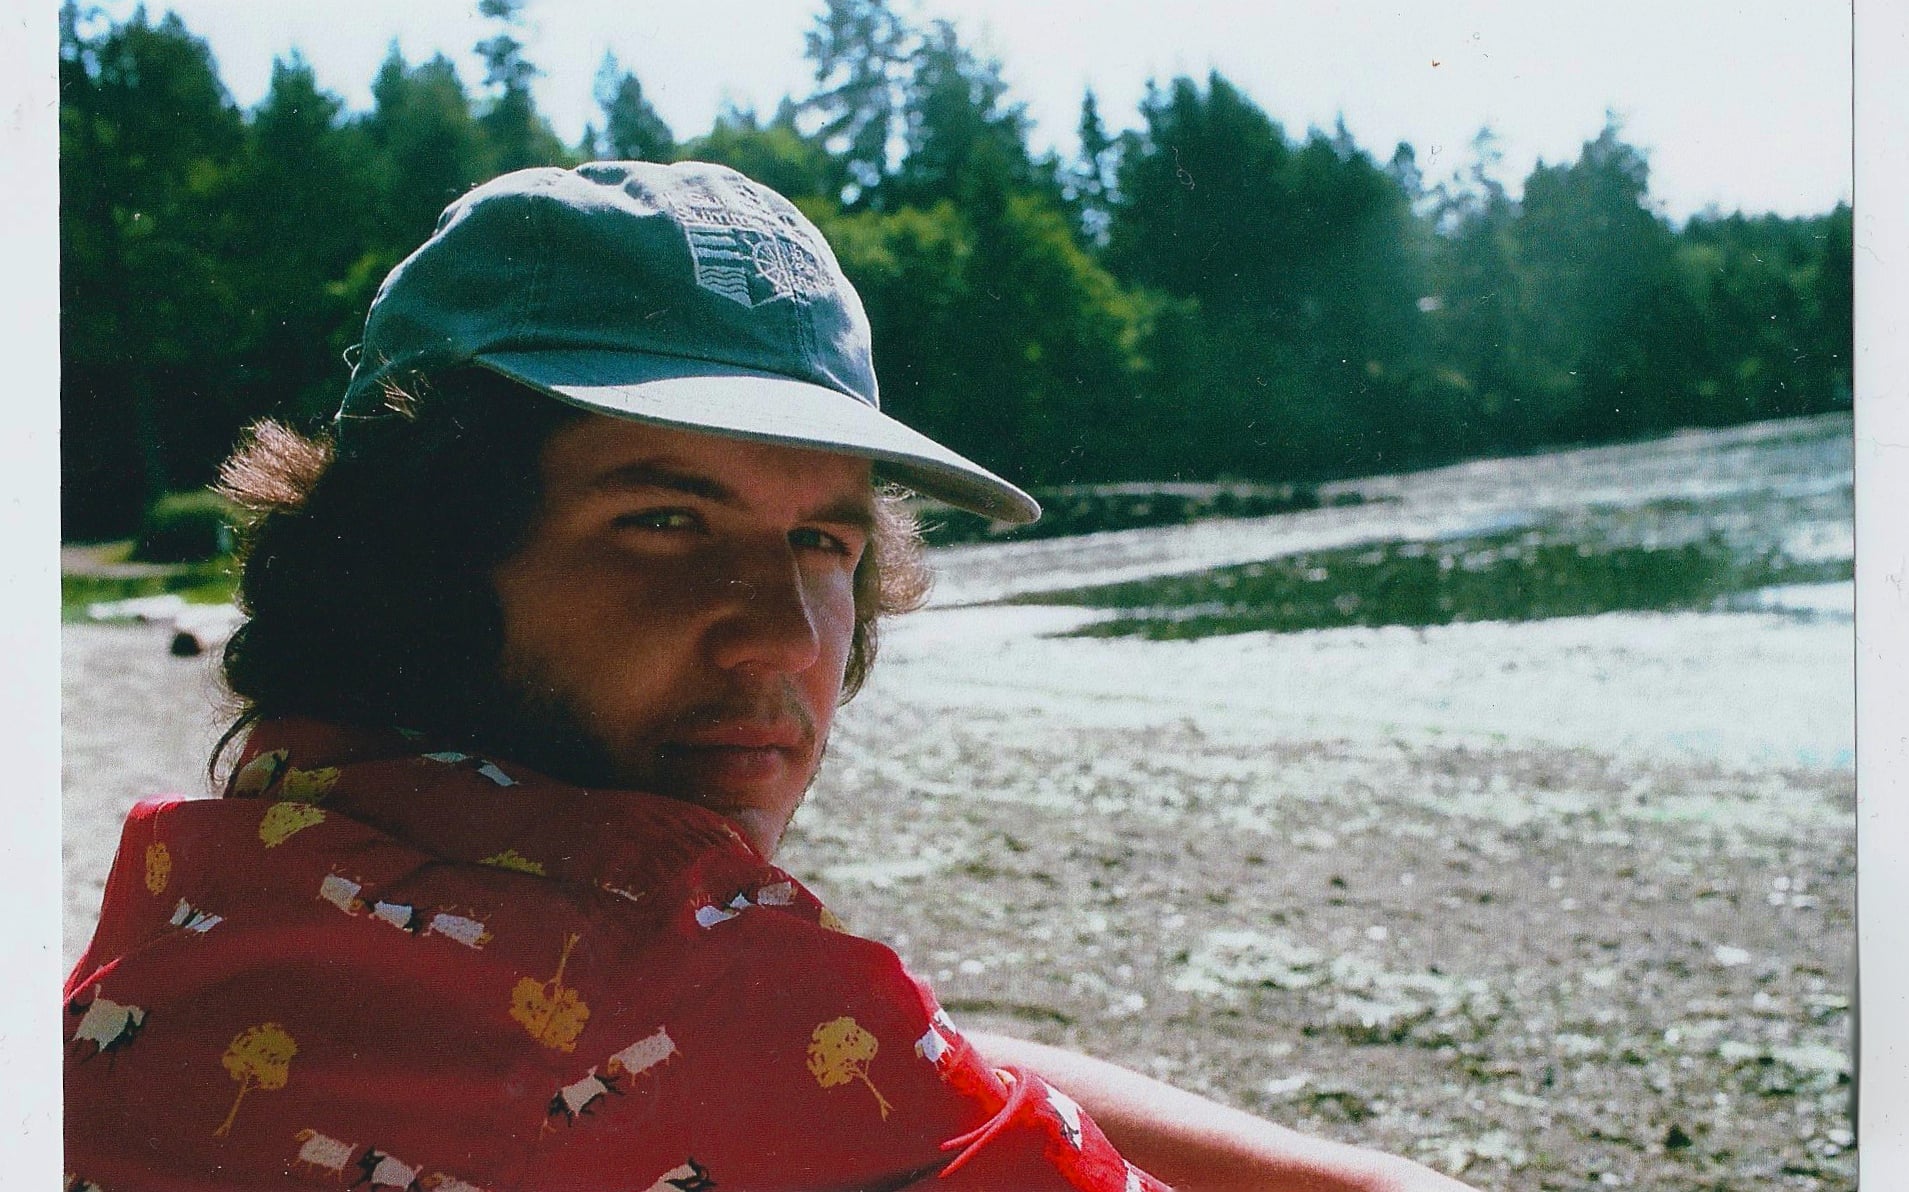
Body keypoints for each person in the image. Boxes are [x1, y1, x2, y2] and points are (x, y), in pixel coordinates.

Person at [65, 161, 1475, 1191]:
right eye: (663, 521)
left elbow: (836, 1047)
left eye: (821, 541)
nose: (788, 635)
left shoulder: (217, 874)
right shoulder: (699, 984)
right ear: (417, 552)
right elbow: (755, 1023)